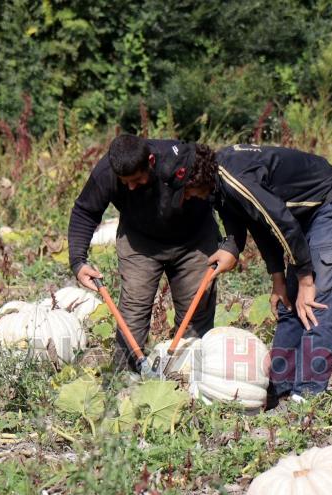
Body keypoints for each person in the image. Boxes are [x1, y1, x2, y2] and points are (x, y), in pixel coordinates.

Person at [179, 143, 332, 402]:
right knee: (290, 304)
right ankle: (279, 387)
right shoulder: (218, 185)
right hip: (301, 216)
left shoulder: (236, 180)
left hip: (331, 205)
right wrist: (278, 280)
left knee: (316, 305)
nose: (187, 197)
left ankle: (308, 396)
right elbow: (261, 225)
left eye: (186, 191)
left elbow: (282, 224)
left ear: (197, 179)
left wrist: (306, 280)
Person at [68, 134, 219, 375]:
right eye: (125, 182)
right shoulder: (107, 171)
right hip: (140, 242)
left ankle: (189, 378)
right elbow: (85, 211)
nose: (131, 186)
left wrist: (232, 244)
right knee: (132, 312)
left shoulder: (180, 161)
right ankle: (124, 379)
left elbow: (221, 194)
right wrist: (78, 261)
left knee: (196, 310)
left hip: (194, 240)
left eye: (137, 179)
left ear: (150, 160)